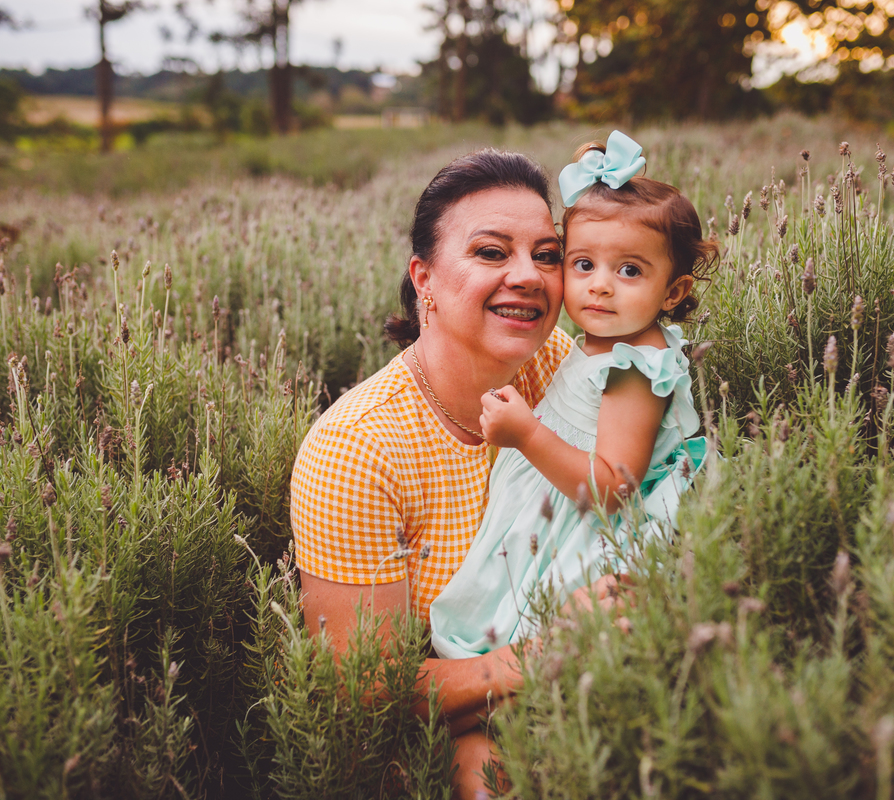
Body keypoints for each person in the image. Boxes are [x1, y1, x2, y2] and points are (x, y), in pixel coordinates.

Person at [289, 147, 582, 799]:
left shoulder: (558, 364)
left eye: (547, 253)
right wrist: (543, 659)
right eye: (491, 252)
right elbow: (363, 690)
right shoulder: (357, 449)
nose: (528, 276)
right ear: (423, 278)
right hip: (428, 755)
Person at [429, 131, 718, 659]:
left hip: (587, 534)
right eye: (583, 264)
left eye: (630, 270)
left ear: (673, 291)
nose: (601, 286)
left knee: (536, 631)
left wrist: (527, 435)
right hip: (563, 511)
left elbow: (612, 488)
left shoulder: (634, 367)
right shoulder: (604, 342)